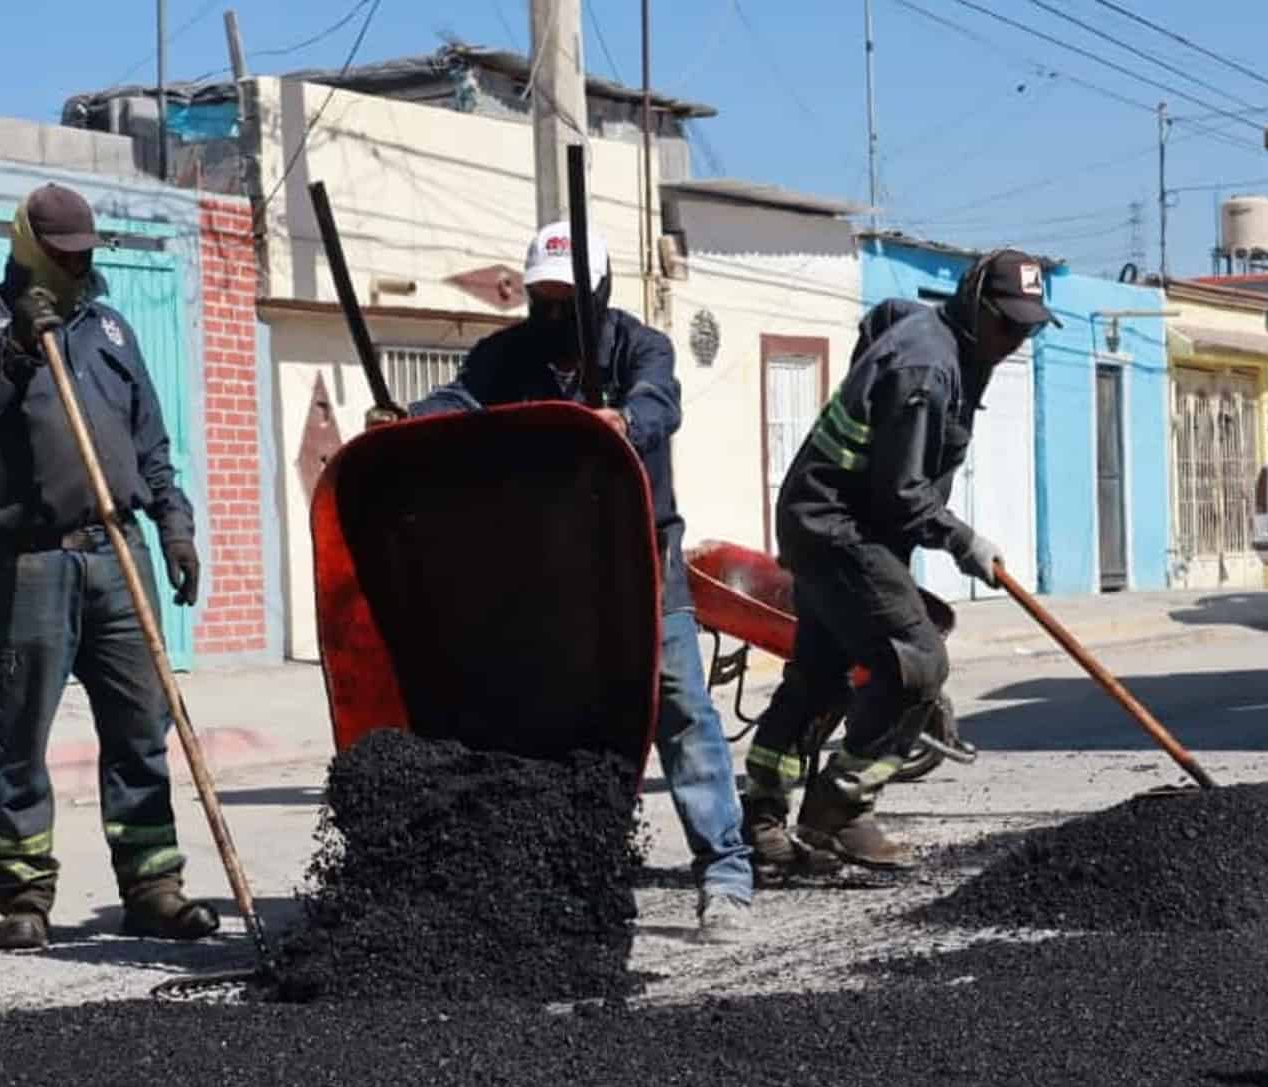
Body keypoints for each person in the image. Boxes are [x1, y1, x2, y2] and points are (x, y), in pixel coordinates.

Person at [364, 222, 756, 944]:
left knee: (678, 703)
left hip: (642, 550)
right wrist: (406, 420)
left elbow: (660, 400)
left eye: (564, 302)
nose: (550, 317)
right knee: (561, 710)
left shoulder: (641, 346)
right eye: (539, 301)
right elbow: (461, 399)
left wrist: (624, 420)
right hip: (550, 561)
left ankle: (725, 873)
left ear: (599, 296)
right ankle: (572, 874)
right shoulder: (507, 356)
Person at [0, 183, 217, 951]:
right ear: (28, 244)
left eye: (87, 254)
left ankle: (153, 886)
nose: (79, 266)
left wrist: (175, 527)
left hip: (120, 554)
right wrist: (15, 352)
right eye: (65, 254)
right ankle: (24, 896)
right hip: (31, 564)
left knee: (141, 729)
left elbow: (150, 443)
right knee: (18, 735)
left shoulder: (111, 329)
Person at [739, 248, 1059, 872]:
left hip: (827, 518)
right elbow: (903, 492)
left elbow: (881, 317)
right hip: (841, 529)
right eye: (1007, 324)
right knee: (917, 665)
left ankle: (761, 821)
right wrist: (964, 541)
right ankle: (838, 812)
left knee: (819, 676)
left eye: (1028, 329)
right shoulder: (927, 370)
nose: (1015, 339)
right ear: (972, 303)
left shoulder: (935, 335)